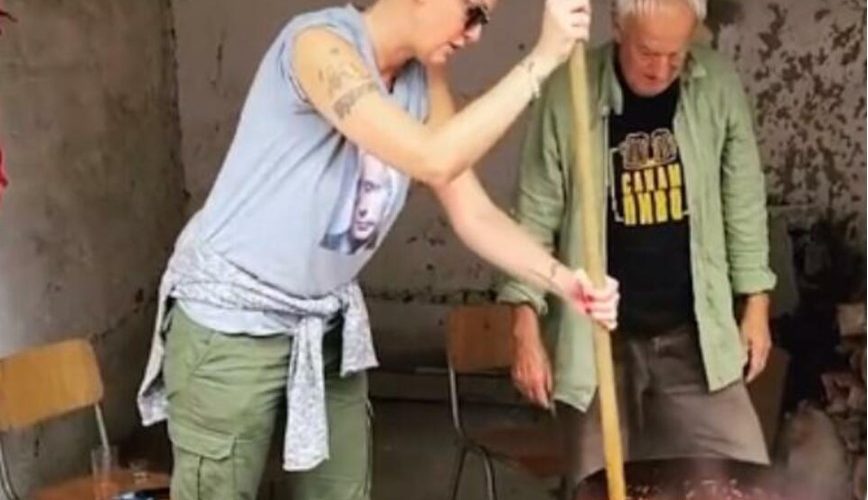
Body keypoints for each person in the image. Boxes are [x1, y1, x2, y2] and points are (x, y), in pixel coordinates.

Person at [136, 1, 620, 499]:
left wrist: (564, 280)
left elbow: (472, 211)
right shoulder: (318, 46)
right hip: (232, 321)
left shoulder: (422, 80)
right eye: (472, 11)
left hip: (324, 321)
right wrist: (541, 59)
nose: (475, 34)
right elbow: (433, 158)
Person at [498, 0, 777, 495]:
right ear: (617, 27)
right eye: (648, 52)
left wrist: (756, 303)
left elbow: (744, 202)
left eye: (677, 54)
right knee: (598, 486)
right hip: (597, 342)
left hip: (695, 335)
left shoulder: (716, 84)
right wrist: (524, 325)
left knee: (744, 477)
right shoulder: (569, 91)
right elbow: (535, 214)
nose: (662, 69)